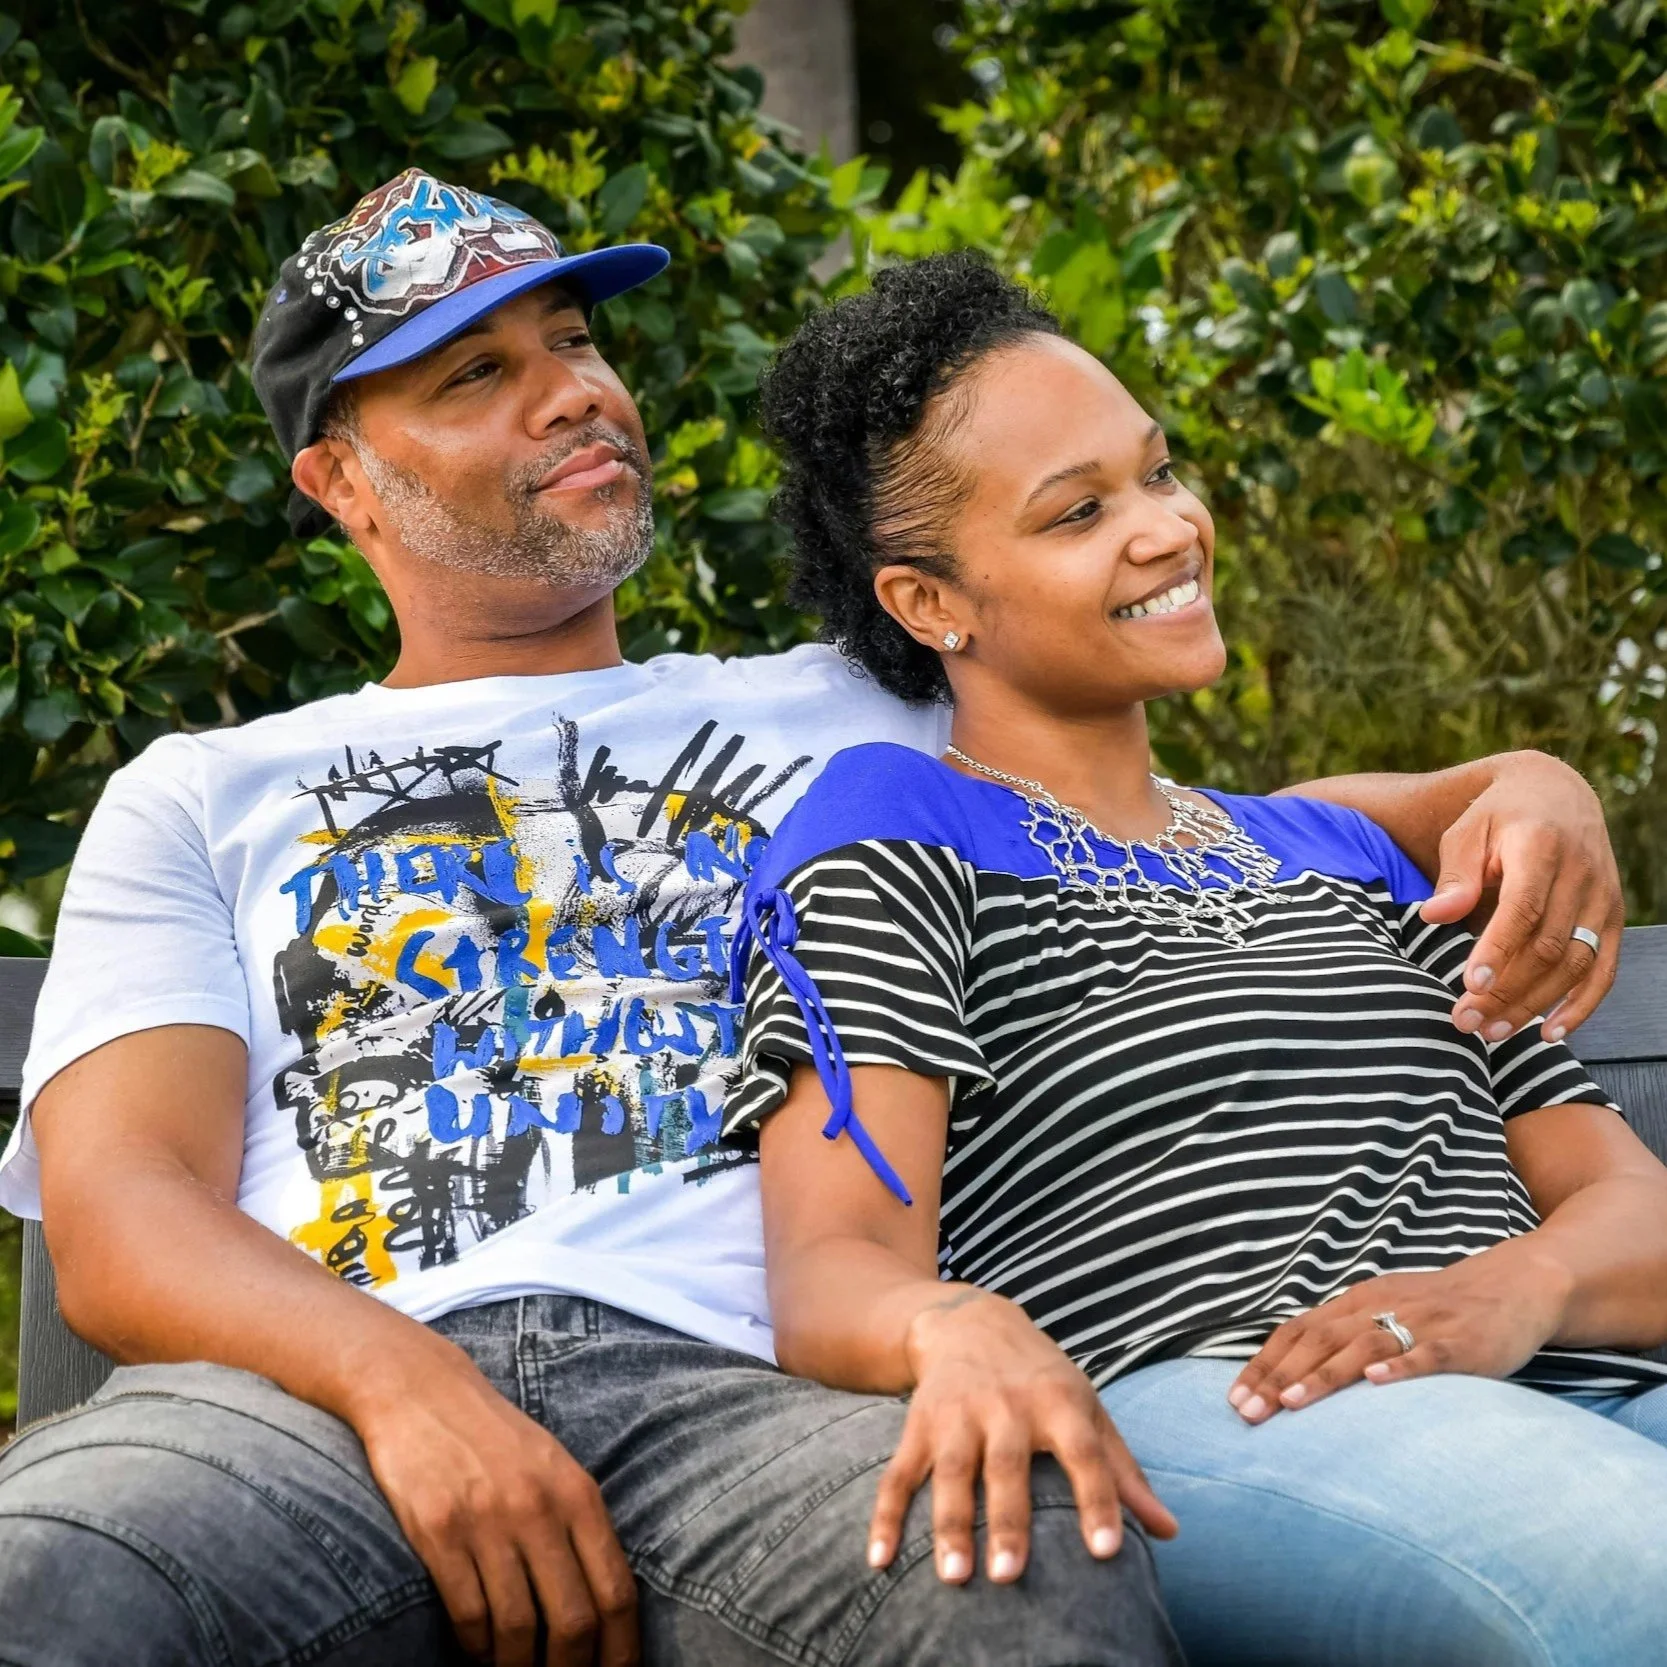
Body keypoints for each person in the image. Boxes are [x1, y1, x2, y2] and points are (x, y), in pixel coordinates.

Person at [0, 175, 1627, 1667]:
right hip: (307, 1407)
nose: (569, 385)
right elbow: (125, 1208)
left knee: (1018, 1562)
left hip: (754, 1395)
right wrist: (398, 1379)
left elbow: (1185, 829)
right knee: (54, 1571)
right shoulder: (202, 788)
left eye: (570, 339)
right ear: (340, 478)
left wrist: (1525, 775)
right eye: (471, 375)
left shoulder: (864, 706)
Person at [720, 252, 1667, 1667]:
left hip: (1568, 1367)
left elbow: (1627, 1209)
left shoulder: (1334, 845)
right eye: (1079, 511)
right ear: (929, 603)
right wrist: (947, 1328)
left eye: (1158, 472)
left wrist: (1506, 1293)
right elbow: (836, 1263)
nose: (1167, 527)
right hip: (1234, 1397)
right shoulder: (890, 829)